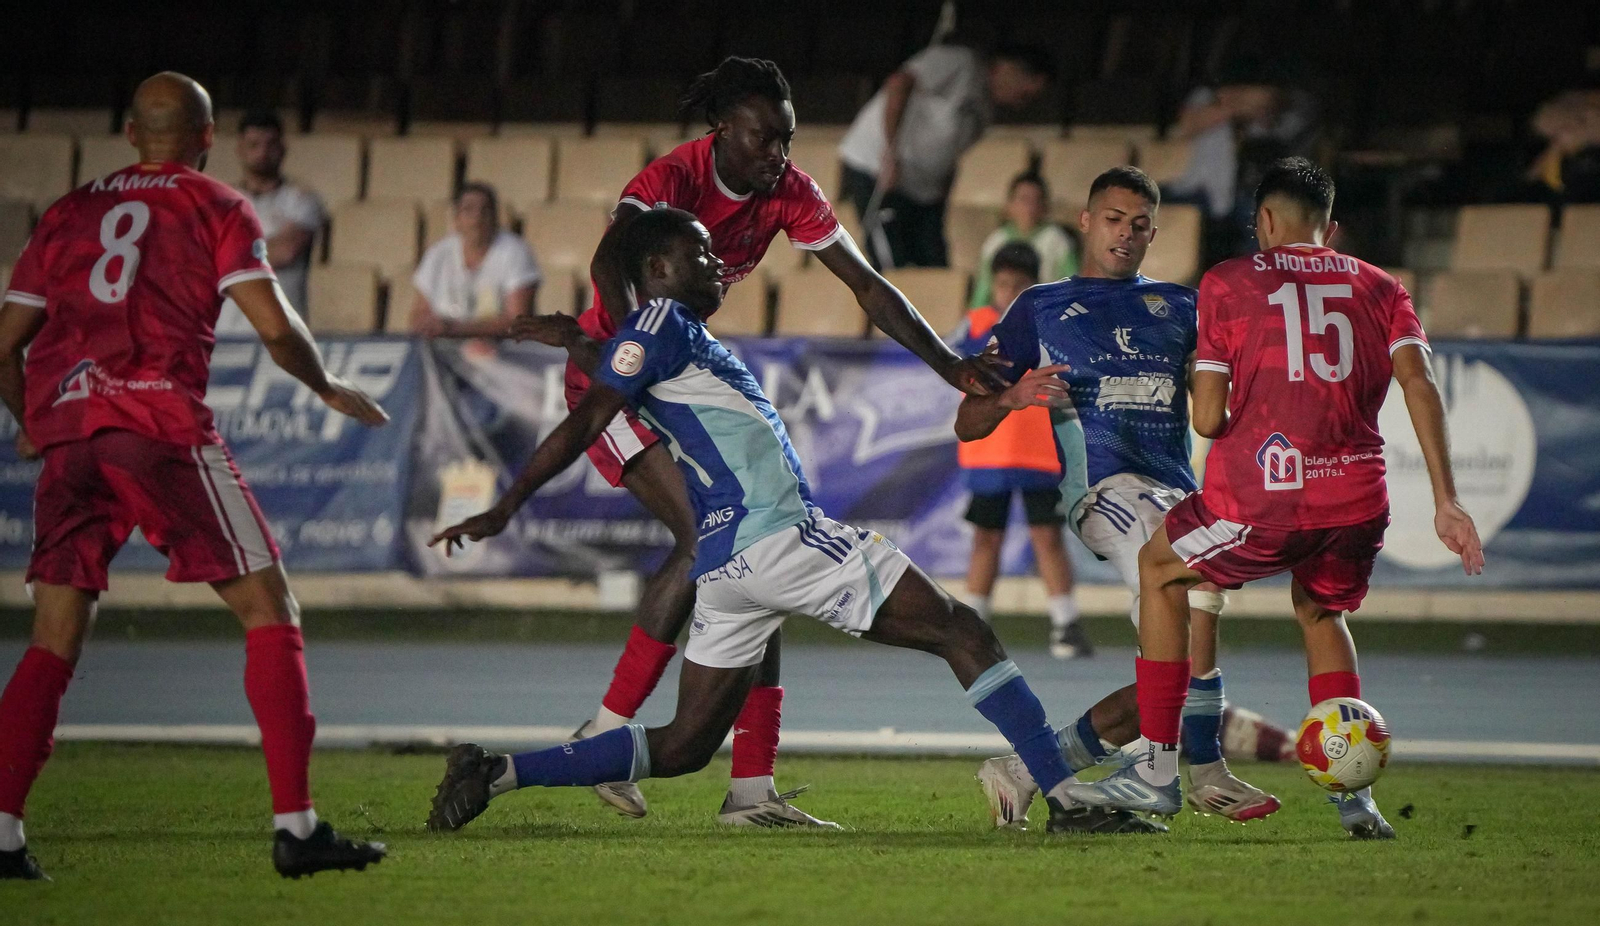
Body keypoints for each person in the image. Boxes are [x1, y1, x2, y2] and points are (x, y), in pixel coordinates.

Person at [426, 207, 1150, 837]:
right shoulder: (664, 321)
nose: (716, 264)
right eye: (699, 254)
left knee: (682, 746)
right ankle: (1063, 791)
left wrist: (574, 343)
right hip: (777, 534)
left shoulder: (652, 337)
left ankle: (494, 774)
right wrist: (505, 505)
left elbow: (614, 376)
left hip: (727, 568)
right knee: (963, 630)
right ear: (656, 268)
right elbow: (584, 423)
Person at [510, 56, 1007, 827]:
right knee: (703, 545)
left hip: (673, 379)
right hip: (618, 386)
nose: (780, 153)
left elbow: (867, 285)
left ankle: (750, 791)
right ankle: (606, 732)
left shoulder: (790, 192)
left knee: (751, 562)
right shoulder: (673, 178)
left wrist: (949, 365)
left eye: (788, 137)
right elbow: (615, 256)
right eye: (765, 137)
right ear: (721, 133)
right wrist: (620, 347)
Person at [0, 72, 390, 880]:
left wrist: (35, 425)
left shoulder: (69, 212)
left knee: (52, 639)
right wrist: (324, 386)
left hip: (71, 437)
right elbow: (276, 330)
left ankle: (2, 835)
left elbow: (4, 343)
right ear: (207, 138)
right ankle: (297, 828)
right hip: (157, 427)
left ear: (132, 132)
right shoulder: (215, 205)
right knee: (268, 606)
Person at [1059, 158, 1485, 840]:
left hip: (1265, 495)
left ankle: (1159, 772)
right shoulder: (1381, 287)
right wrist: (1447, 501)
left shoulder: (1229, 281)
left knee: (1162, 570)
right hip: (1356, 500)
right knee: (1322, 613)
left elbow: (1205, 419)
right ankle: (1355, 800)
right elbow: (1420, 385)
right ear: (1331, 228)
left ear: (1262, 221)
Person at [956, 167, 1282, 829]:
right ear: (1084, 220)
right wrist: (1012, 397)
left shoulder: (1182, 307)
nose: (1125, 235)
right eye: (1113, 219)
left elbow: (1227, 400)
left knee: (1181, 653)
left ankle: (1024, 771)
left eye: (1139, 225)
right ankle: (1189, 770)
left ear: (1154, 233)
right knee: (1182, 627)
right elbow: (967, 421)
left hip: (1176, 493)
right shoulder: (1039, 308)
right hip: (1104, 491)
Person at [955, 241, 1084, 657]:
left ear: (1033, 286)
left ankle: (1066, 625)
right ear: (991, 285)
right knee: (985, 538)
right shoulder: (975, 325)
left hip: (1039, 452)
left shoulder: (1050, 324)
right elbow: (958, 371)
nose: (1009, 293)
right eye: (1003, 284)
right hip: (990, 453)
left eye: (1019, 285)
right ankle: (973, 628)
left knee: (1047, 537)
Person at [838, 43, 1052, 269]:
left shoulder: (985, 109)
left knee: (933, 262)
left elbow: (952, 154)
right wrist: (890, 152)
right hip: (878, 168)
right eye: (1024, 93)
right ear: (1008, 68)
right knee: (892, 259)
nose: (1021, 102)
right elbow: (899, 83)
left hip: (924, 189)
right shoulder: (960, 62)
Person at [216, 110, 326, 335]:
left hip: (282, 331)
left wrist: (225, 254)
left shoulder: (302, 199)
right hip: (225, 331)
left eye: (270, 145)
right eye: (254, 145)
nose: (263, 152)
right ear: (240, 149)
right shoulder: (220, 202)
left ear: (283, 149)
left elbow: (286, 251)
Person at [410, 182, 540, 337]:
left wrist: (454, 329)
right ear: (456, 219)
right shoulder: (438, 254)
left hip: (502, 348)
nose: (477, 218)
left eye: (485, 210)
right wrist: (427, 325)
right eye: (468, 210)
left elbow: (517, 321)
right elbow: (419, 313)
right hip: (442, 347)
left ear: (495, 217)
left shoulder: (515, 252)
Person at [968, 173, 1076, 309]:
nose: (1030, 207)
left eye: (1036, 200)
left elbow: (1072, 288)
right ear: (1009, 204)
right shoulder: (995, 241)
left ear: (1045, 206)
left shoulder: (1058, 241)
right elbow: (982, 293)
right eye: (1024, 199)